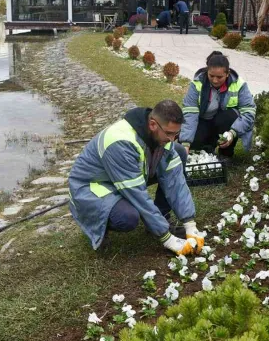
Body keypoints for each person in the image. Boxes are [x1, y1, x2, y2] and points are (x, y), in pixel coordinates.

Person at [68, 100, 205, 256]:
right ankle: (99, 223)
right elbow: (137, 194)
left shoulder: (161, 135)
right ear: (153, 124)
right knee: (127, 217)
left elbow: (175, 180)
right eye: (169, 133)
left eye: (176, 134)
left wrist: (190, 224)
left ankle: (160, 219)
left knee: (179, 152)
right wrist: (167, 239)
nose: (172, 139)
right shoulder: (120, 142)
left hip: (124, 178)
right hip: (92, 188)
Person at [179, 51, 256, 158]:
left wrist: (232, 133)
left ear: (227, 73)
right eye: (211, 76)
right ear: (207, 71)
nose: (215, 80)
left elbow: (249, 113)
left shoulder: (239, 84)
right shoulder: (197, 84)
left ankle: (225, 154)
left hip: (225, 123)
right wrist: (186, 142)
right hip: (203, 120)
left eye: (219, 77)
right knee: (194, 145)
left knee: (228, 117)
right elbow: (190, 113)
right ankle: (207, 147)